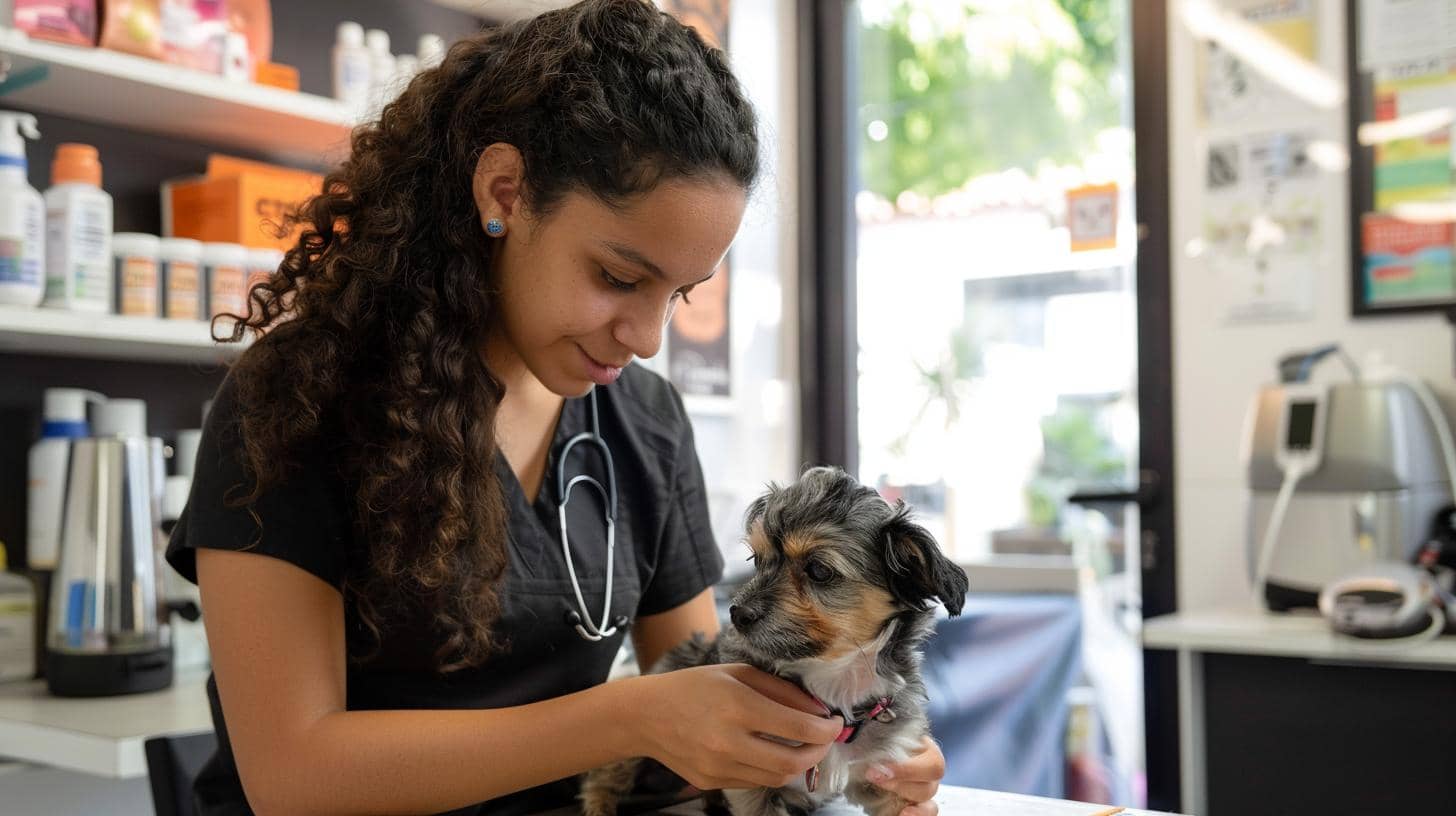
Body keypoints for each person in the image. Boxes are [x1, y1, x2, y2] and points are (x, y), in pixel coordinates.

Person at [166, 1, 947, 814]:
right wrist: (627, 716)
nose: (646, 336)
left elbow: (717, 684)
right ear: (504, 191)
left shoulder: (644, 421)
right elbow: (294, 778)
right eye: (617, 276)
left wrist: (867, 742)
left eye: (679, 293)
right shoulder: (296, 403)